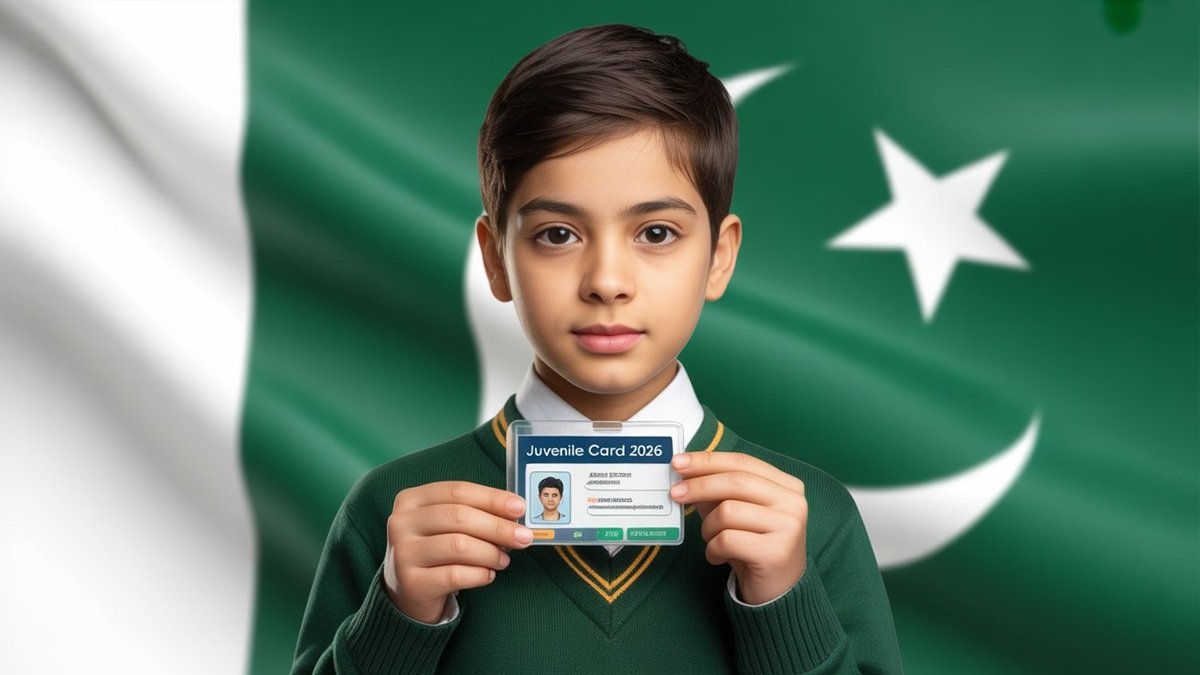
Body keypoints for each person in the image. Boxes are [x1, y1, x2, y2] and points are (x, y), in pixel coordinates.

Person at [292, 24, 902, 674]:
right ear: (496, 260)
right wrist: (397, 614)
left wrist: (786, 606)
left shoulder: (814, 519)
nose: (607, 281)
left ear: (719, 257)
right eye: (557, 234)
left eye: (657, 232)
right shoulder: (392, 511)